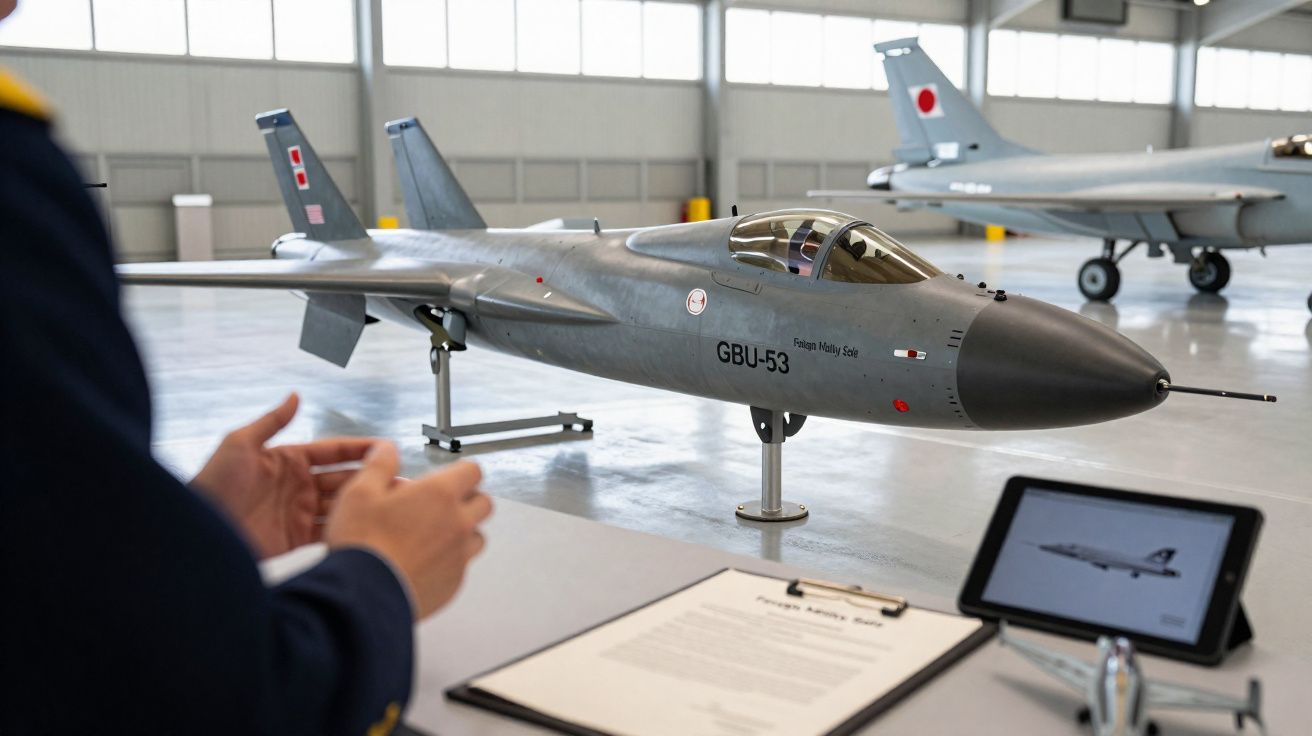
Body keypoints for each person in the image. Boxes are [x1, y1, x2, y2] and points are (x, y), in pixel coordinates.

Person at [0, 1, 492, 732]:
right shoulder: (15, 176)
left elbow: (38, 568)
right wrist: (380, 578)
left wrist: (191, 525)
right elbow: (192, 695)